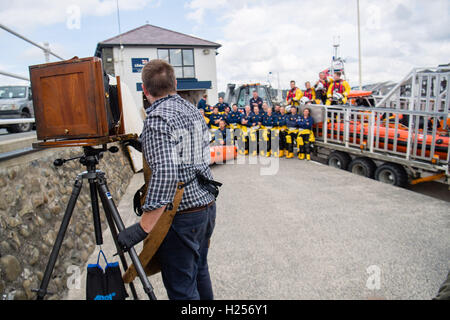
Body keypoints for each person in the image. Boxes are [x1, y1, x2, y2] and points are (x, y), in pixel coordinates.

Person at [117, 59, 217, 300]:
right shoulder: (191, 109)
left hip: (183, 216)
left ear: (145, 89)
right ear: (174, 83)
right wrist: (144, 145)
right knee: (199, 271)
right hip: (206, 207)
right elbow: (187, 150)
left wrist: (144, 227)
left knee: (182, 288)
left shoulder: (156, 119)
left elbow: (166, 174)